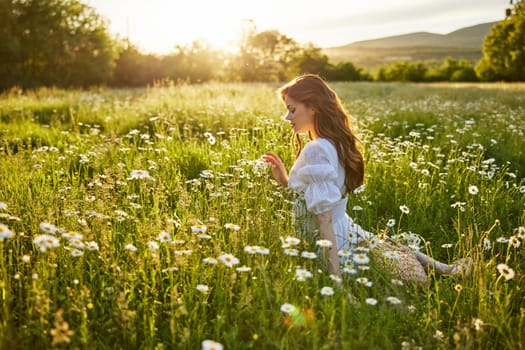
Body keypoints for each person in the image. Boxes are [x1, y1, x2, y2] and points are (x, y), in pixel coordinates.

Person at [263, 74, 471, 284]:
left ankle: (436, 271)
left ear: (313, 107)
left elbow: (323, 219)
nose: (287, 117)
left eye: (292, 110)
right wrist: (285, 181)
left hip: (329, 241)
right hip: (343, 228)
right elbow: (311, 197)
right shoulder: (336, 142)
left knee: (413, 277)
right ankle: (445, 269)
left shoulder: (317, 149)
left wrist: (336, 282)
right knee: (383, 243)